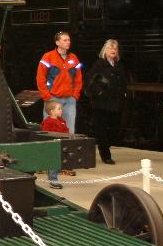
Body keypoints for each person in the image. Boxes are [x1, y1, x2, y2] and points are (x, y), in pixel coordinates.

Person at [37, 31, 84, 183]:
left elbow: (79, 78)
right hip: (53, 99)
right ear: (57, 42)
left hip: (69, 100)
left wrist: (75, 95)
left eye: (68, 40)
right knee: (49, 133)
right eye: (64, 40)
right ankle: (45, 164)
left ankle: (67, 165)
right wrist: (47, 97)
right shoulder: (48, 57)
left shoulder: (74, 58)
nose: (67, 42)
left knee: (70, 132)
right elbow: (40, 77)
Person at [86, 39, 127, 164]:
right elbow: (89, 80)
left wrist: (124, 95)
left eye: (115, 48)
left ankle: (105, 148)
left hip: (116, 103)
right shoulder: (99, 64)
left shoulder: (119, 66)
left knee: (115, 130)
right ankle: (106, 155)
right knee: (101, 130)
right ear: (105, 50)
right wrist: (98, 92)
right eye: (110, 48)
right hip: (101, 103)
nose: (113, 50)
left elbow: (123, 83)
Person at [40, 100, 69, 188]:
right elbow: (46, 135)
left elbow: (66, 131)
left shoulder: (61, 120)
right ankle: (53, 181)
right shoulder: (48, 122)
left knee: (59, 163)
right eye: (59, 109)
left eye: (61, 109)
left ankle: (52, 176)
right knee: (54, 163)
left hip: (61, 144)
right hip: (53, 146)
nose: (61, 110)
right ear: (52, 111)